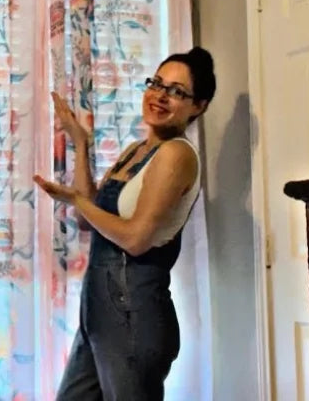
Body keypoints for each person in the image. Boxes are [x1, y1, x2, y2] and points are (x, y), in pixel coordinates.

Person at [34, 47, 215, 401]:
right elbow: (91, 222)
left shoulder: (177, 154)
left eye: (177, 91)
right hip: (99, 309)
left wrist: (76, 199)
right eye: (157, 84)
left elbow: (135, 239)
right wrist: (81, 143)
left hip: (134, 311)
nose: (161, 96)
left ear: (199, 106)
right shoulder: (135, 150)